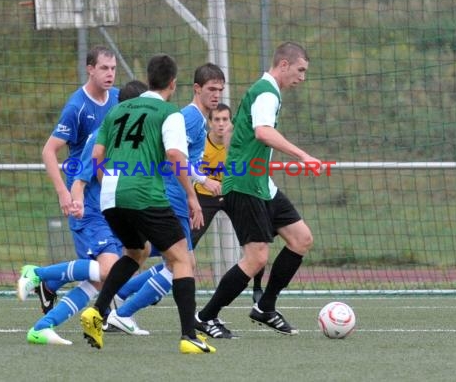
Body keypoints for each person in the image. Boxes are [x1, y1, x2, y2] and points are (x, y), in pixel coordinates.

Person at [80, 54, 216, 354]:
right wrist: (193, 197)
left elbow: (97, 155)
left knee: (136, 251)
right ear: (173, 83)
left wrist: (110, 184)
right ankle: (189, 336)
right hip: (144, 193)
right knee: (182, 259)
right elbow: (176, 158)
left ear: (148, 77)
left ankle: (97, 311)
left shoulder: (118, 110)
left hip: (111, 194)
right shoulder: (170, 113)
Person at [194, 42, 323, 338]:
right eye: (300, 70)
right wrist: (303, 156)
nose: (302, 77)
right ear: (283, 65)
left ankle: (265, 307)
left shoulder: (267, 92)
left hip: (261, 183)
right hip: (244, 185)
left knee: (301, 238)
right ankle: (205, 316)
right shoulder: (266, 92)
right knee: (256, 258)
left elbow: (247, 133)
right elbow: (262, 132)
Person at [16, 80, 147, 345]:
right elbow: (80, 177)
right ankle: (39, 273)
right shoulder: (103, 134)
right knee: (109, 271)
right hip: (91, 215)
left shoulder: (129, 137)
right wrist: (75, 200)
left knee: (101, 279)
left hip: (111, 215)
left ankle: (43, 326)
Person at [106, 63, 225, 336]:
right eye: (211, 89)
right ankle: (122, 314)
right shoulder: (191, 118)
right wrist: (201, 182)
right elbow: (174, 158)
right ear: (196, 89)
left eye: (220, 89)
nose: (216, 94)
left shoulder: (196, 117)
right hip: (172, 195)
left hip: (172, 194)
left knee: (171, 262)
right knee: (182, 264)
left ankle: (121, 293)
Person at [36, 46, 119, 313]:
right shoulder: (77, 107)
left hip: (112, 192)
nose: (110, 74)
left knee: (113, 263)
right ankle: (46, 277)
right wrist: (64, 193)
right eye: (104, 68)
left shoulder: (118, 98)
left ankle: (103, 312)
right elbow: (49, 151)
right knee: (105, 266)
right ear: (90, 69)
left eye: (113, 68)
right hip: (83, 197)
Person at [191, 103, 266, 306]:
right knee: (186, 243)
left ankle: (258, 288)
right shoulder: (201, 144)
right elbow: (188, 168)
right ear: (210, 122)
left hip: (233, 194)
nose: (221, 124)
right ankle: (164, 283)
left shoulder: (237, 144)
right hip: (205, 196)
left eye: (225, 119)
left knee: (256, 240)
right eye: (217, 119)